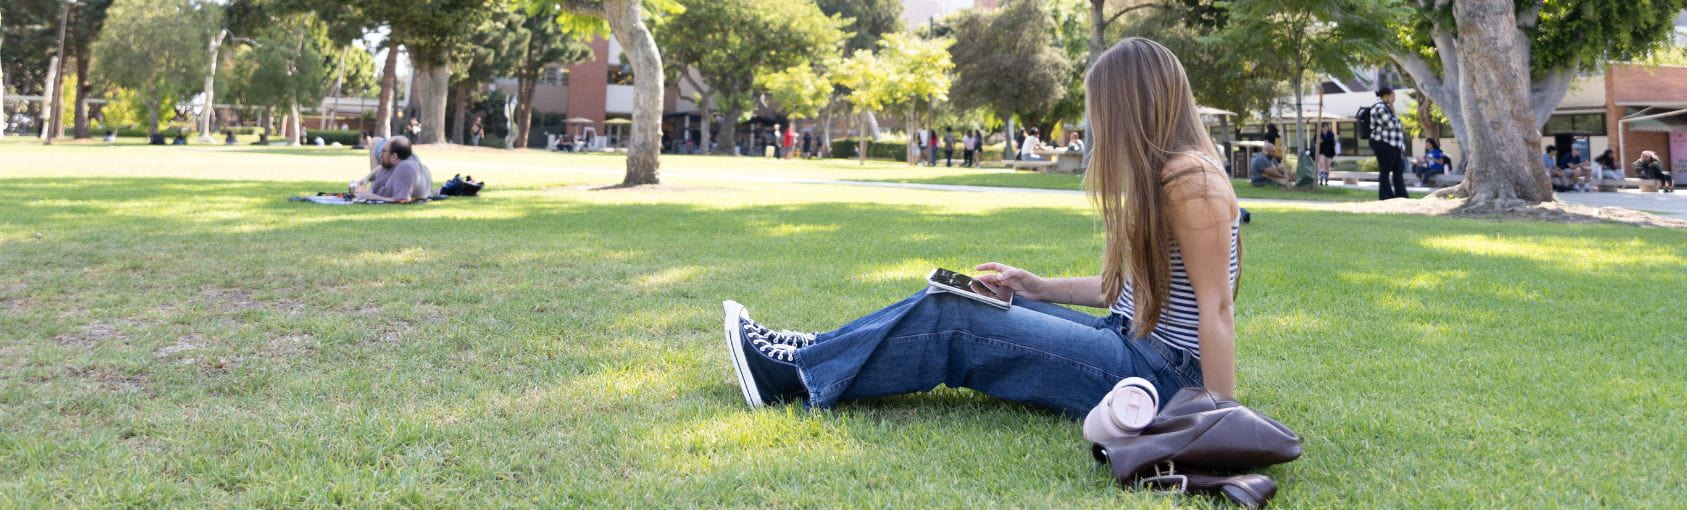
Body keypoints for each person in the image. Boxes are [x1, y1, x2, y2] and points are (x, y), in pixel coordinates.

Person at [717, 38, 1239, 416]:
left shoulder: (1192, 181)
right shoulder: (1168, 173)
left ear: (1131, 106)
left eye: (1102, 108)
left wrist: (1219, 415)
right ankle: (812, 349)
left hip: (1161, 378)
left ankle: (793, 376)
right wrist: (1036, 286)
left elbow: (1216, 307)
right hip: (1128, 340)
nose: (1098, 122)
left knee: (957, 319)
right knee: (978, 298)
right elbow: (1130, 292)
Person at [353, 136, 434, 202]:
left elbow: (402, 199)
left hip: (417, 179)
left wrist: (371, 196)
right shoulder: (397, 158)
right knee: (375, 141)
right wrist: (366, 178)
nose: (381, 154)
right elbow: (381, 165)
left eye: (384, 151)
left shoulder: (406, 167)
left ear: (394, 157)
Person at [1366, 87, 1408, 200]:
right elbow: (1390, 124)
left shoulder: (1386, 108)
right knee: (1385, 172)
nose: (1394, 98)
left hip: (1393, 145)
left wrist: (1393, 113)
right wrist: (1394, 114)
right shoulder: (1379, 108)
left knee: (1398, 171)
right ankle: (1386, 196)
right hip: (1384, 144)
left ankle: (1401, 195)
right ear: (1386, 96)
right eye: (1393, 95)